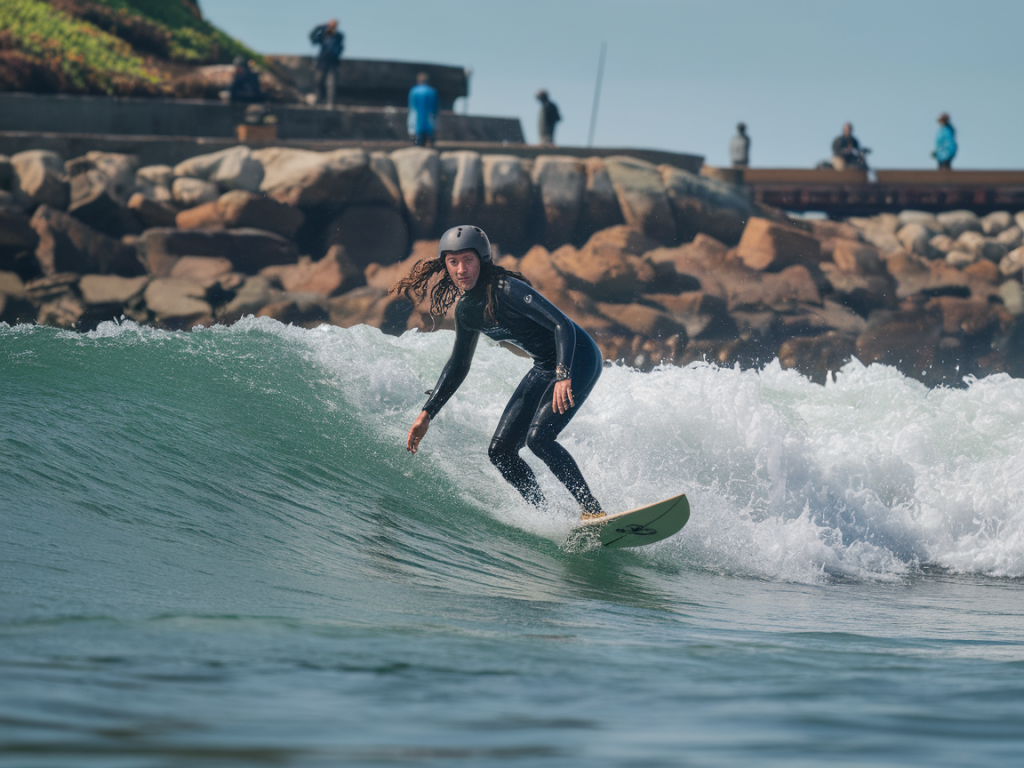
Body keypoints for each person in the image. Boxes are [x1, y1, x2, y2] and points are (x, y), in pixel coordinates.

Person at [393, 225, 605, 519]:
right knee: (501, 452)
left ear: (482, 258)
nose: (461, 269)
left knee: (539, 439)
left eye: (467, 260)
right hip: (545, 365)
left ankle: (592, 509)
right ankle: (547, 515)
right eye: (452, 262)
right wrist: (426, 414)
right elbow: (458, 365)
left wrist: (563, 373)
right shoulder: (467, 310)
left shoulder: (507, 290)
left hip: (578, 358)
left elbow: (562, 325)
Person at [309, 19, 344, 106]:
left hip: (332, 63)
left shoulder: (338, 36)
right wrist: (320, 27)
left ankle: (330, 103)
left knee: (331, 84)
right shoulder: (324, 36)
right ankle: (318, 100)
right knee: (318, 81)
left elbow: (340, 47)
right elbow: (312, 38)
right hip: (322, 62)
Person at [407, 72, 439, 147]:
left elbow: (411, 106)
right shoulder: (432, 92)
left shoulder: (414, 91)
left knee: (417, 142)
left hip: (416, 122)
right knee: (429, 142)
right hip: (429, 122)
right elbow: (435, 108)